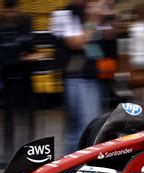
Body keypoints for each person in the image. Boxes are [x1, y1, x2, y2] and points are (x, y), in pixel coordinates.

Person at [49, 0, 106, 153]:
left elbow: (109, 35)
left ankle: (74, 163)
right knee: (82, 125)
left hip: (92, 75)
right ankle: (74, 164)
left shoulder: (91, 11)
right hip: (76, 77)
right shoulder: (63, 14)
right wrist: (92, 20)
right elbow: (75, 42)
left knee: (86, 124)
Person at [0, 0, 35, 156]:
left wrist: (20, 56)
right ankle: (8, 154)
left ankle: (28, 152)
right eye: (8, 10)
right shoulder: (2, 27)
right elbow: (4, 55)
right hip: (6, 79)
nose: (11, 13)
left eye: (13, 9)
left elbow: (30, 47)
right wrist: (20, 57)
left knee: (27, 117)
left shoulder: (25, 23)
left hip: (24, 78)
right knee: (8, 119)